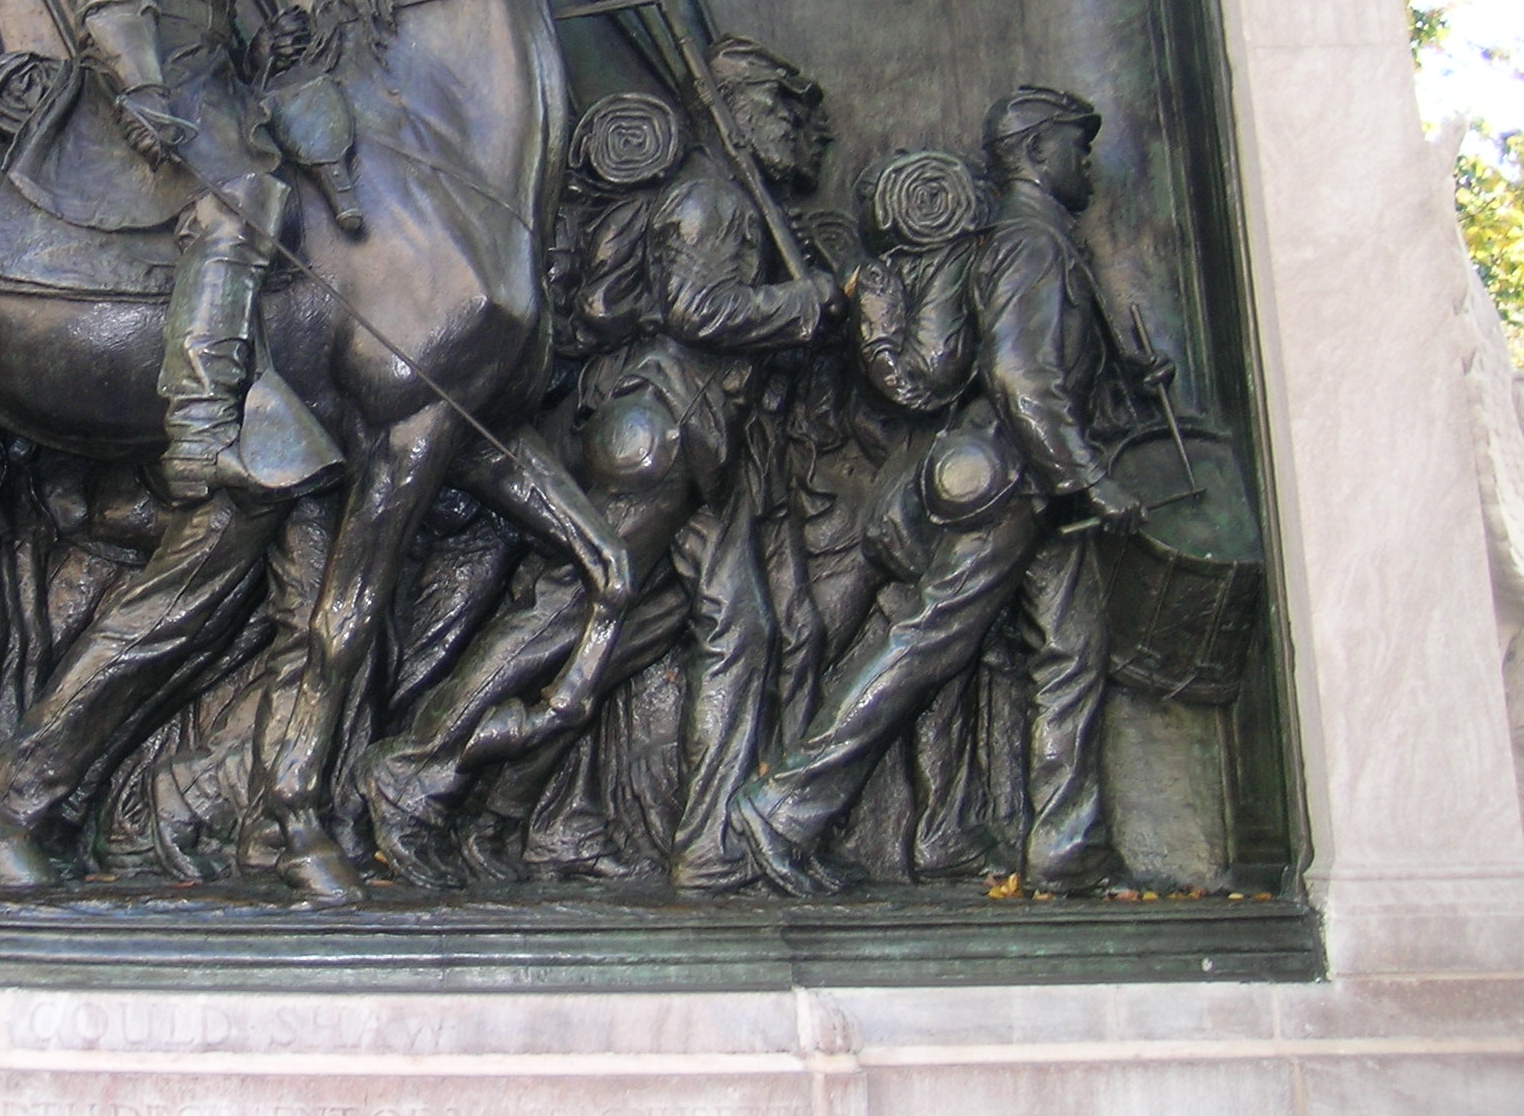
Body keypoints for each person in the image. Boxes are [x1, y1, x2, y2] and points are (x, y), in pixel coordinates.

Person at [365, 54, 840, 888]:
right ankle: (415, 766)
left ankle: (587, 825)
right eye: (781, 111)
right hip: (658, 437)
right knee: (567, 612)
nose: (801, 134)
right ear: (734, 116)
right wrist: (808, 305)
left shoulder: (728, 203)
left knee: (729, 629)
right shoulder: (712, 198)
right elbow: (699, 310)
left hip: (700, 451)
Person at [733, 87, 1163, 895]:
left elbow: (1053, 363)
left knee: (1072, 653)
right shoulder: (1027, 242)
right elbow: (1018, 371)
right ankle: (785, 805)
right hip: (1012, 480)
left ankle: (1068, 849)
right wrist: (1088, 475)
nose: (1088, 169)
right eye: (1077, 148)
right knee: (925, 643)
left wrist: (1129, 383)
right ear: (1038, 153)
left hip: (1038, 487)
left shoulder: (1037, 239)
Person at [48, 0, 326, 501]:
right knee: (241, 207)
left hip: (203, 86)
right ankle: (201, 431)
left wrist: (258, 55)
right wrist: (141, 91)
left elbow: (190, 7)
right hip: (148, 96)